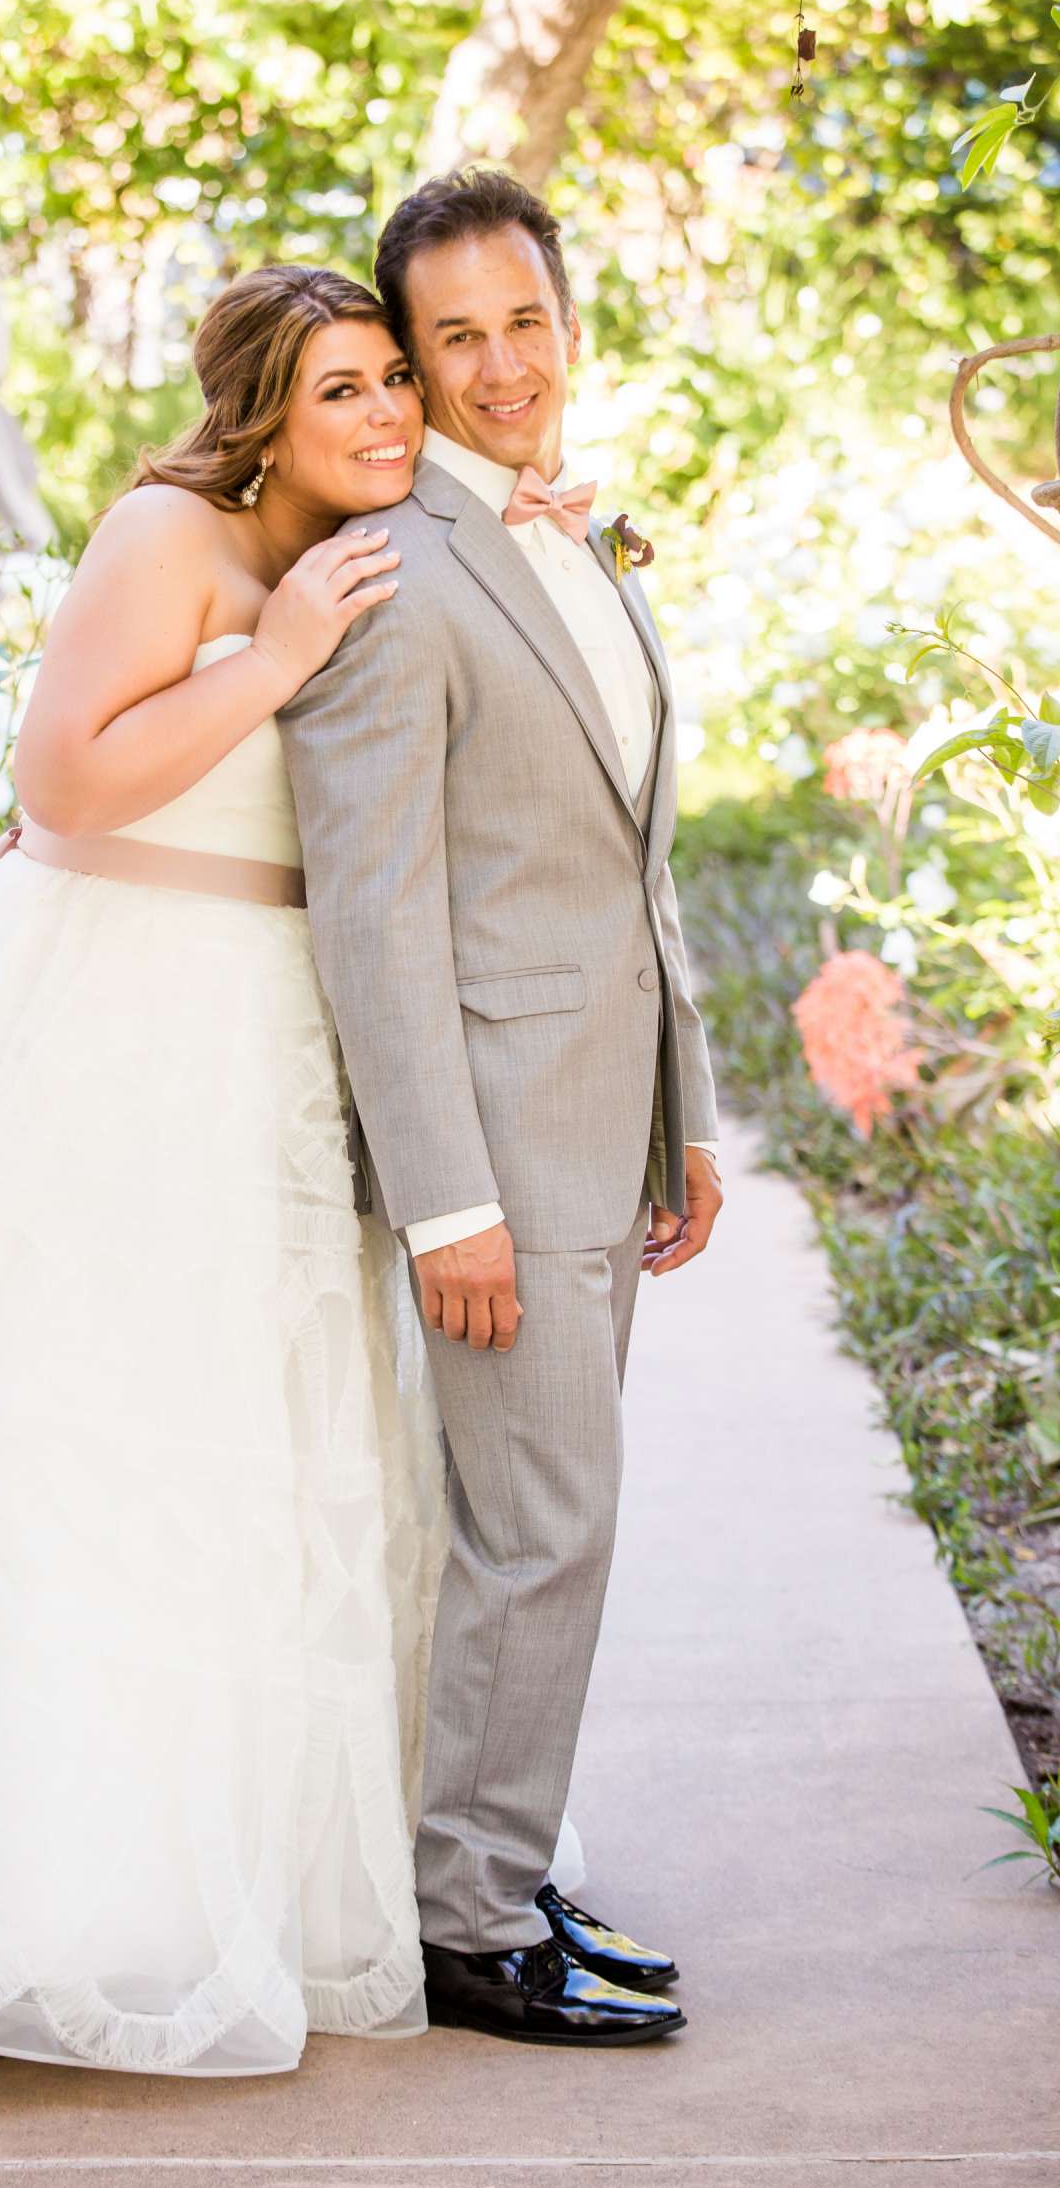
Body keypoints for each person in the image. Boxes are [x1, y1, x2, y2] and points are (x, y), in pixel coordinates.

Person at [0, 265, 519, 2078]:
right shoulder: (175, 536)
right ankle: (45, 1903)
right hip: (121, 1010)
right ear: (262, 413)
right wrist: (280, 656)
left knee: (265, 1457)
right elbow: (63, 783)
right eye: (344, 390)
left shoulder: (389, 544)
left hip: (281, 1036)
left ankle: (245, 1883)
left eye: (397, 379)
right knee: (78, 1444)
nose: (390, 413)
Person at [280, 168, 724, 2051]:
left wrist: (682, 1108)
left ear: (566, 313)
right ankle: (466, 1923)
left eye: (520, 320)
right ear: (416, 351)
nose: (496, 365)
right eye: (450, 336)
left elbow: (626, 850)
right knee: (542, 1528)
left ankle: (499, 1864)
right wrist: (444, 1197)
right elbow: (373, 914)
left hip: (598, 1112)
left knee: (551, 1522)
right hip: (496, 1144)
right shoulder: (398, 579)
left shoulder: (572, 536)